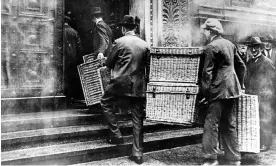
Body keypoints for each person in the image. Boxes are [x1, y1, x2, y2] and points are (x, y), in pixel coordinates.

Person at [100, 15, 150, 165]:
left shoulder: (119, 42)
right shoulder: (145, 45)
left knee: (105, 102)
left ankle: (116, 134)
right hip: (138, 86)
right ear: (134, 28)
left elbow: (109, 63)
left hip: (119, 84)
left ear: (123, 28)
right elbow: (148, 68)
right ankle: (138, 153)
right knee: (137, 119)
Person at [200, 18, 246, 166]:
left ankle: (211, 158)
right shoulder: (230, 44)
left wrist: (205, 94)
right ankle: (234, 158)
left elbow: (207, 73)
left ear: (210, 31)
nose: (204, 33)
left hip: (217, 90)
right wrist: (237, 83)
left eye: (205, 30)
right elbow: (241, 66)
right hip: (232, 90)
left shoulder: (211, 46)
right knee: (229, 123)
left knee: (211, 124)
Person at [245, 36, 275, 152]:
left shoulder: (267, 62)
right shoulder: (250, 62)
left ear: (261, 48)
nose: (253, 50)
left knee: (265, 119)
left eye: (256, 47)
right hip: (253, 95)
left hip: (265, 95)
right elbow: (247, 79)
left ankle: (266, 143)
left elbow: (272, 80)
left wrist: (269, 93)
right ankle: (258, 142)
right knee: (256, 119)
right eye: (252, 47)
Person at [64, 15, 83, 101]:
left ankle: (65, 96)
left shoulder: (60, 31)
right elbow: (79, 47)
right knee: (71, 77)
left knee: (63, 77)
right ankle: (71, 97)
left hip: (63, 59)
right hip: (73, 58)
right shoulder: (74, 32)